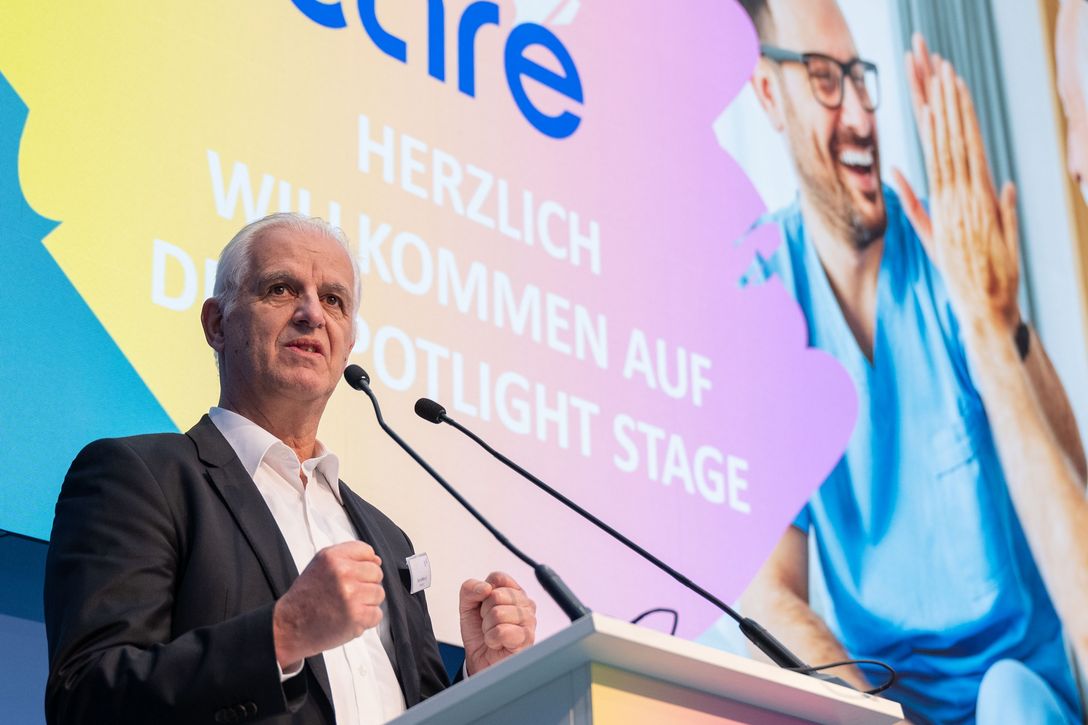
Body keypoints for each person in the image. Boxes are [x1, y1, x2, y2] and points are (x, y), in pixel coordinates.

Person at [731, 1, 1086, 722]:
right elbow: (768, 592)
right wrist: (873, 715)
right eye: (826, 80)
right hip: (887, 701)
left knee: (1006, 695)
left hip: (1020, 688)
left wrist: (1002, 322)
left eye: (860, 77)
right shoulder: (762, 294)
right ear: (768, 92)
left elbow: (1073, 476)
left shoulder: (945, 250)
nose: (861, 113)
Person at [43, 212, 538, 725]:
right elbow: (86, 698)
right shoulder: (141, 478)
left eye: (334, 300)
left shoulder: (389, 540)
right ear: (217, 324)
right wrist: (283, 634)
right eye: (280, 289)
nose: (312, 314)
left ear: (348, 344)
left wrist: (482, 679)